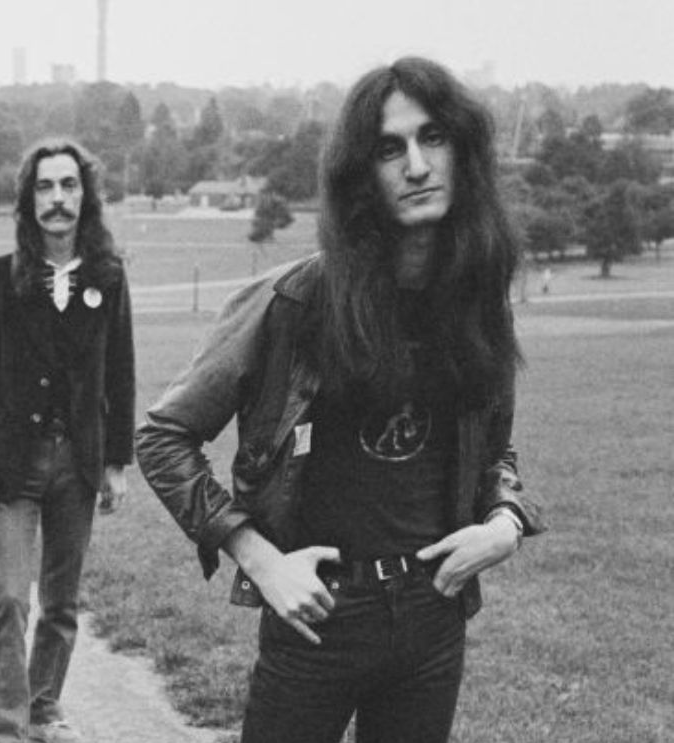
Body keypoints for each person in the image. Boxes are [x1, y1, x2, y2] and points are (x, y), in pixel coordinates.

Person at [136, 57, 546, 743]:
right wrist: (259, 559)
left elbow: (492, 452)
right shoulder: (294, 301)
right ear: (362, 175)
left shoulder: (476, 302)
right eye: (389, 148)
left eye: (433, 137)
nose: (416, 165)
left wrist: (504, 523)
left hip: (433, 614)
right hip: (319, 613)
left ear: (464, 153)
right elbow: (163, 437)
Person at [0, 137, 135, 743]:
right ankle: (6, 732)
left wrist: (116, 462)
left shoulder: (108, 278)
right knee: (10, 599)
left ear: (85, 197)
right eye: (44, 186)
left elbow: (120, 372)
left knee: (61, 604)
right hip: (12, 465)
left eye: (68, 185)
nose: (57, 198)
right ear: (28, 200)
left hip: (78, 464)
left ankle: (40, 709)